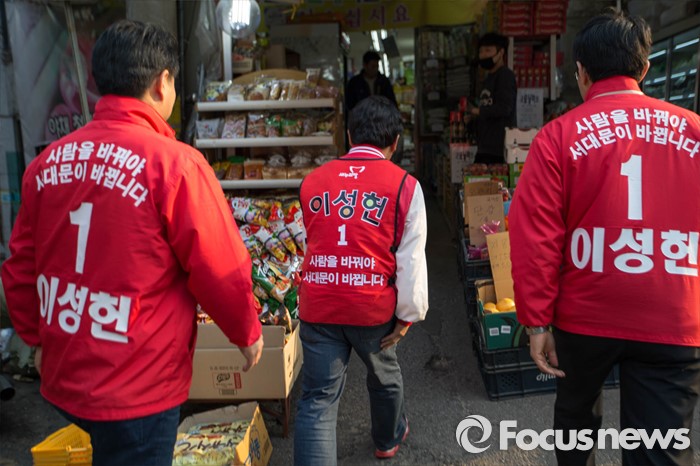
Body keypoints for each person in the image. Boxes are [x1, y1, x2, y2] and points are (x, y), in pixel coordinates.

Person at [1, 20, 263, 466]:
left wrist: (35, 340)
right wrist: (247, 332)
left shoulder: (48, 163)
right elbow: (219, 266)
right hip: (138, 385)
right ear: (162, 83)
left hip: (66, 374)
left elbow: (20, 266)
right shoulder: (175, 165)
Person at [509, 9, 700, 466]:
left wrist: (537, 323)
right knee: (661, 449)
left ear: (581, 71)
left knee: (575, 424)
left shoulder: (557, 137)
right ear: (645, 68)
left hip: (584, 315)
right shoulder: (694, 131)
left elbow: (535, 237)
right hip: (673, 314)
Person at [294, 95, 428, 465]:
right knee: (385, 379)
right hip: (372, 308)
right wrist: (407, 316)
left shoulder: (312, 182)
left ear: (349, 135)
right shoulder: (404, 186)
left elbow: (307, 242)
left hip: (319, 305)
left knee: (317, 400)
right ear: (395, 142)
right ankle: (387, 439)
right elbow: (411, 259)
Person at [469, 32, 516, 164]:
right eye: (481, 51)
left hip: (499, 149)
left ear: (501, 53)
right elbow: (488, 108)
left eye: (488, 50)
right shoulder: (488, 79)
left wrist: (478, 111)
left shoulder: (505, 76)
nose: (483, 55)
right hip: (485, 147)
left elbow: (505, 108)